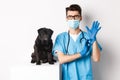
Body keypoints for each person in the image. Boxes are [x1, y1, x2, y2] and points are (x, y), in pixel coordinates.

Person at [52, 4, 102, 80]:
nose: (73, 19)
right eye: (70, 17)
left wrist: (94, 41)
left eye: (76, 16)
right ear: (66, 18)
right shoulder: (61, 38)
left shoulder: (89, 36)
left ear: (80, 18)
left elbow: (96, 58)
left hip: (85, 77)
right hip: (68, 78)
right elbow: (61, 59)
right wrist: (81, 53)